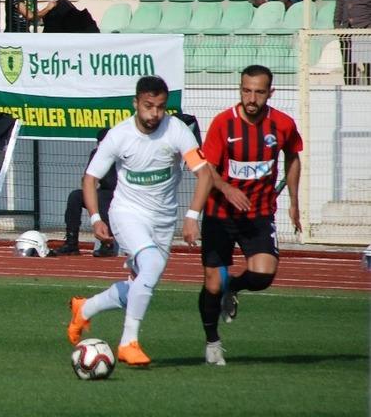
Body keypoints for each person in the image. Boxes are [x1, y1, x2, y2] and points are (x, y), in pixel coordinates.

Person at [66, 75, 212, 367]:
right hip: (127, 213)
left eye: (160, 107)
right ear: (136, 103)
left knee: (140, 284)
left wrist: (192, 216)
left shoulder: (177, 130)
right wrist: (95, 218)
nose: (154, 113)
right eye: (148, 106)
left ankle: (85, 308)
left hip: (164, 221)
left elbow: (205, 174)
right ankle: (128, 343)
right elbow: (90, 179)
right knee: (152, 264)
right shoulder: (119, 135)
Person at [197, 64, 303, 366]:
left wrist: (294, 201)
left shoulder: (282, 124)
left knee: (263, 276)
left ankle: (233, 287)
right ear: (240, 89)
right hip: (220, 213)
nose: (252, 98)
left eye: (258, 92)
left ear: (270, 92)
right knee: (212, 283)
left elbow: (293, 156)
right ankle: (212, 342)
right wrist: (226, 188)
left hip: (259, 213)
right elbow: (208, 168)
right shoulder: (223, 123)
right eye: (246, 91)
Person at [51, 127, 118, 257]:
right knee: (76, 196)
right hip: (103, 190)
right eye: (99, 143)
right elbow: (89, 179)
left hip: (119, 193)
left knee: (102, 198)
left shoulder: (121, 155)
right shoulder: (96, 154)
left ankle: (107, 243)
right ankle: (71, 243)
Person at [335, 0, 371, 85]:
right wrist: (337, 24)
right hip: (346, 29)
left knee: (368, 67)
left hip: (365, 28)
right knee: (348, 68)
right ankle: (349, 93)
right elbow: (340, 2)